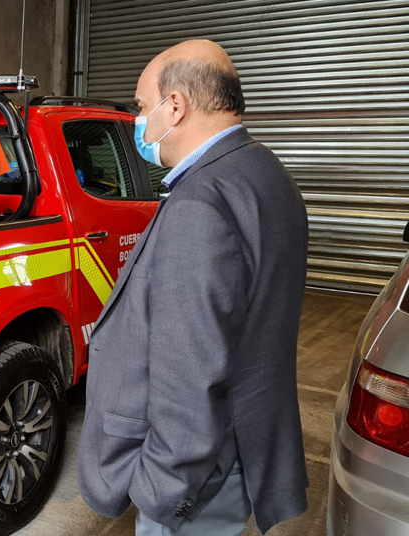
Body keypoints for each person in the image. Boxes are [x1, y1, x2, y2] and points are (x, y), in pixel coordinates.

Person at [77, 40, 309, 535]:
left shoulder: (199, 204)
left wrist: (162, 493)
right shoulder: (266, 173)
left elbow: (189, 376)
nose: (140, 121)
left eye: (142, 108)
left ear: (175, 106)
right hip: (244, 445)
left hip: (198, 481)